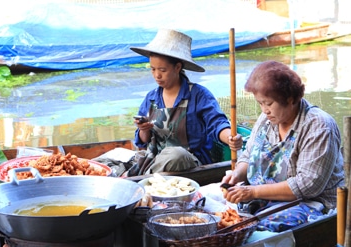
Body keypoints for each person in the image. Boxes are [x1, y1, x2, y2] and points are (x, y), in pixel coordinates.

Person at [221, 60, 344, 232]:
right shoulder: (267, 119)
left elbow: (307, 186)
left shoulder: (319, 126)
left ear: (290, 99)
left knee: (261, 226)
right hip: (266, 195)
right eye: (260, 103)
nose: (264, 110)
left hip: (312, 203)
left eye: (269, 104)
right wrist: (237, 175)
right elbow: (248, 155)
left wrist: (253, 192)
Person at [127, 28, 243, 176]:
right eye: (153, 69)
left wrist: (230, 138)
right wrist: (143, 129)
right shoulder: (151, 98)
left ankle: (141, 178)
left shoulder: (199, 95)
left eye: (162, 70)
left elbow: (217, 123)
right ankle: (143, 175)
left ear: (177, 67)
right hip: (156, 161)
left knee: (176, 155)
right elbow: (142, 142)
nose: (157, 75)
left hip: (190, 162)